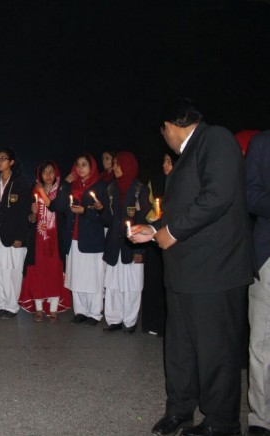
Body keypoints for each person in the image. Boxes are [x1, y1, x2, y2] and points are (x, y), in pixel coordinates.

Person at [131, 98, 253, 436]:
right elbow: (179, 208)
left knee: (215, 349)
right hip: (184, 272)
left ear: (169, 127)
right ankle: (180, 410)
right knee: (180, 349)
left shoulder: (215, 139)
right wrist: (154, 229)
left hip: (215, 270)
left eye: (163, 133)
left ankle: (221, 421)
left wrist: (171, 231)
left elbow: (219, 195)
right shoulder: (187, 157)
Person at [57, 153, 110, 326]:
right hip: (73, 238)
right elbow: (58, 205)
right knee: (77, 277)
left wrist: (85, 212)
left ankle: (94, 313)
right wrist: (65, 182)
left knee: (93, 277)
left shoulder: (101, 187)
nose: (80, 168)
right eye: (78, 165)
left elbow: (105, 216)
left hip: (92, 239)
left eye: (84, 165)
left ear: (92, 167)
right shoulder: (71, 186)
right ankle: (80, 311)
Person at [102, 152, 150, 333]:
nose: (114, 168)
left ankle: (130, 322)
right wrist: (101, 210)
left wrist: (141, 251)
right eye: (114, 164)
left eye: (118, 164)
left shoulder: (140, 190)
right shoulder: (111, 189)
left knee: (132, 284)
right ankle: (114, 319)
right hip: (114, 243)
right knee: (113, 283)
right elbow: (108, 219)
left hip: (133, 244)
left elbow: (145, 220)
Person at [19, 160, 71, 322]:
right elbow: (29, 219)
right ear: (39, 175)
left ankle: (53, 309)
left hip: (55, 240)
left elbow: (62, 211)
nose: (48, 175)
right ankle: (39, 308)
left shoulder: (61, 191)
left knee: (54, 271)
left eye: (51, 171)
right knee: (38, 272)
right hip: (38, 240)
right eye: (44, 172)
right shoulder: (33, 191)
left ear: (56, 174)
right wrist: (33, 214)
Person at [0, 147, 30, 319]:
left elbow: (24, 212)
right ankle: (1, 304)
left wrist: (20, 236)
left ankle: (12, 307)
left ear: (11, 162)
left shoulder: (20, 183)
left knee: (12, 271)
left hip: (12, 235)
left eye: (3, 159)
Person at [246, 129, 270, 436]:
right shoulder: (262, 143)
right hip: (268, 254)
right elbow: (250, 195)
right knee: (263, 340)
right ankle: (261, 418)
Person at [141, 152, 176, 337]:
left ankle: (167, 325)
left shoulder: (183, 184)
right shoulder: (156, 182)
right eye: (164, 161)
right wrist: (152, 217)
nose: (165, 165)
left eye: (169, 162)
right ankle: (152, 322)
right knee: (154, 280)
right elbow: (147, 209)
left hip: (175, 238)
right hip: (155, 237)